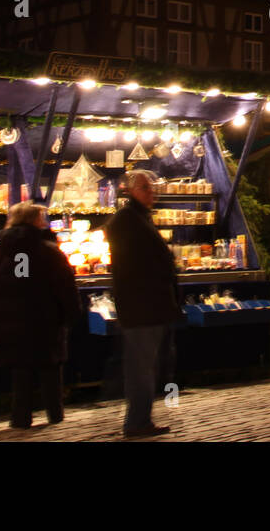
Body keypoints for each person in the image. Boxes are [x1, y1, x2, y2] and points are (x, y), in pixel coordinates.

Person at [0, 201, 81, 430]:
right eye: (42, 218)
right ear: (35, 221)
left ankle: (20, 421)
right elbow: (66, 288)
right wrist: (70, 316)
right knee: (50, 372)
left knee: (21, 374)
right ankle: (55, 420)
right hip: (46, 323)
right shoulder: (49, 251)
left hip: (12, 326)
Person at [107, 168, 182, 438]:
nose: (151, 193)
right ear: (130, 190)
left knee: (145, 366)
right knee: (141, 367)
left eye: (152, 188)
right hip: (142, 307)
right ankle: (137, 422)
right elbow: (136, 266)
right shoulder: (127, 221)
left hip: (149, 306)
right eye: (145, 188)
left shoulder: (138, 218)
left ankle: (140, 418)